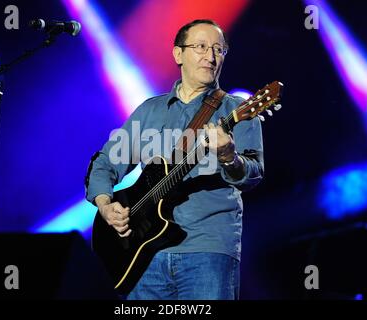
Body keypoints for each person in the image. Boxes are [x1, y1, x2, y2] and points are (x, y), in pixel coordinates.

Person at [85, 19, 264, 300]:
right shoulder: (149, 111)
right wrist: (106, 205)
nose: (211, 56)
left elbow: (253, 173)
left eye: (219, 49)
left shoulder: (239, 111)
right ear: (178, 54)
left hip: (208, 248)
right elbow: (106, 162)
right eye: (201, 47)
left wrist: (229, 156)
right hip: (143, 256)